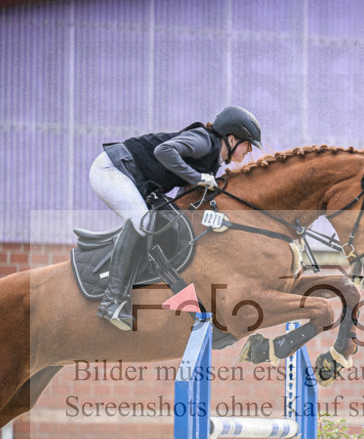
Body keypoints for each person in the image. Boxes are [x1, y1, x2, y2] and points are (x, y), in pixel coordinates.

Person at [89, 105, 262, 330]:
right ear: (231, 139)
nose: (250, 150)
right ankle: (112, 300)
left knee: (166, 224)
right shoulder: (203, 141)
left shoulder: (212, 162)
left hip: (134, 179)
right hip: (112, 169)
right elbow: (163, 151)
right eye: (248, 144)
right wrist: (197, 177)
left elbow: (185, 200)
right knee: (143, 223)